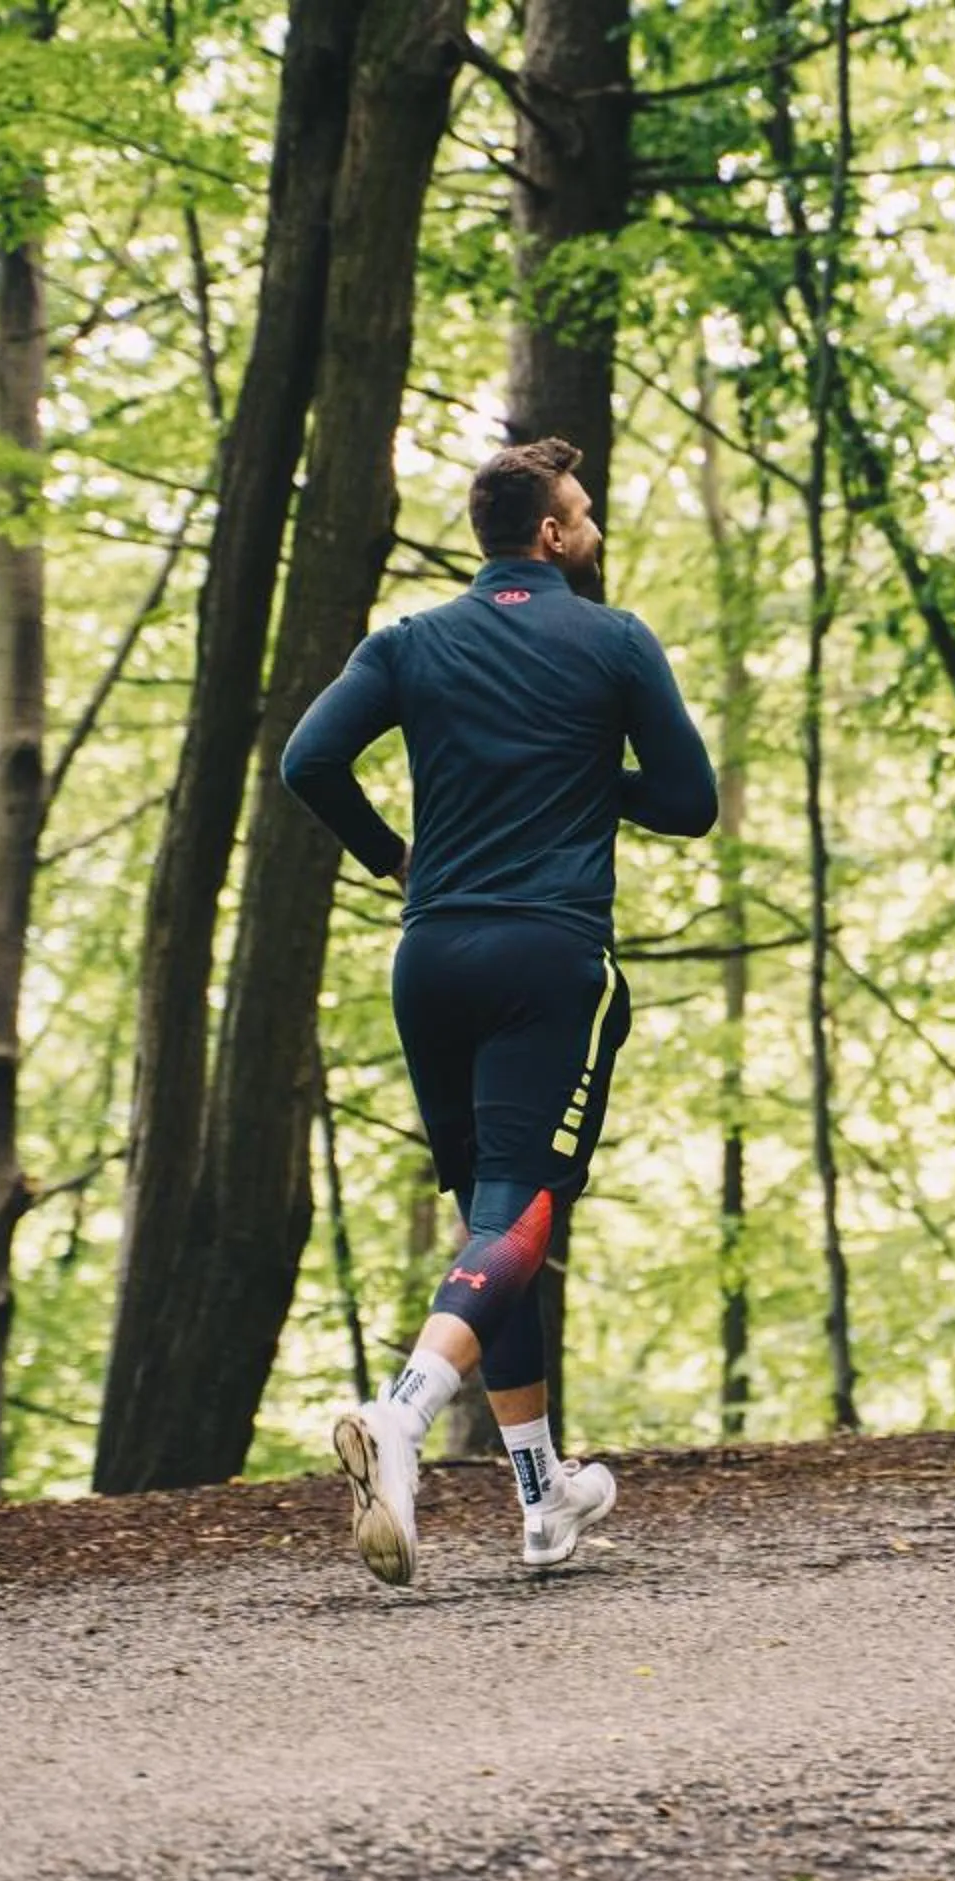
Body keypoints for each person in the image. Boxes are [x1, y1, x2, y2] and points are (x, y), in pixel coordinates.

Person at [280, 437, 717, 1585]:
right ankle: (407, 1414)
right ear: (554, 535)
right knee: (520, 1209)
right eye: (584, 511)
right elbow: (689, 801)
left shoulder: (410, 643)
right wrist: (582, 768)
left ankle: (542, 1499)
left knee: (497, 1222)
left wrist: (392, 855)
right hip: (550, 956)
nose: (591, 525)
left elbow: (307, 761)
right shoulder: (613, 638)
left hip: (432, 957)